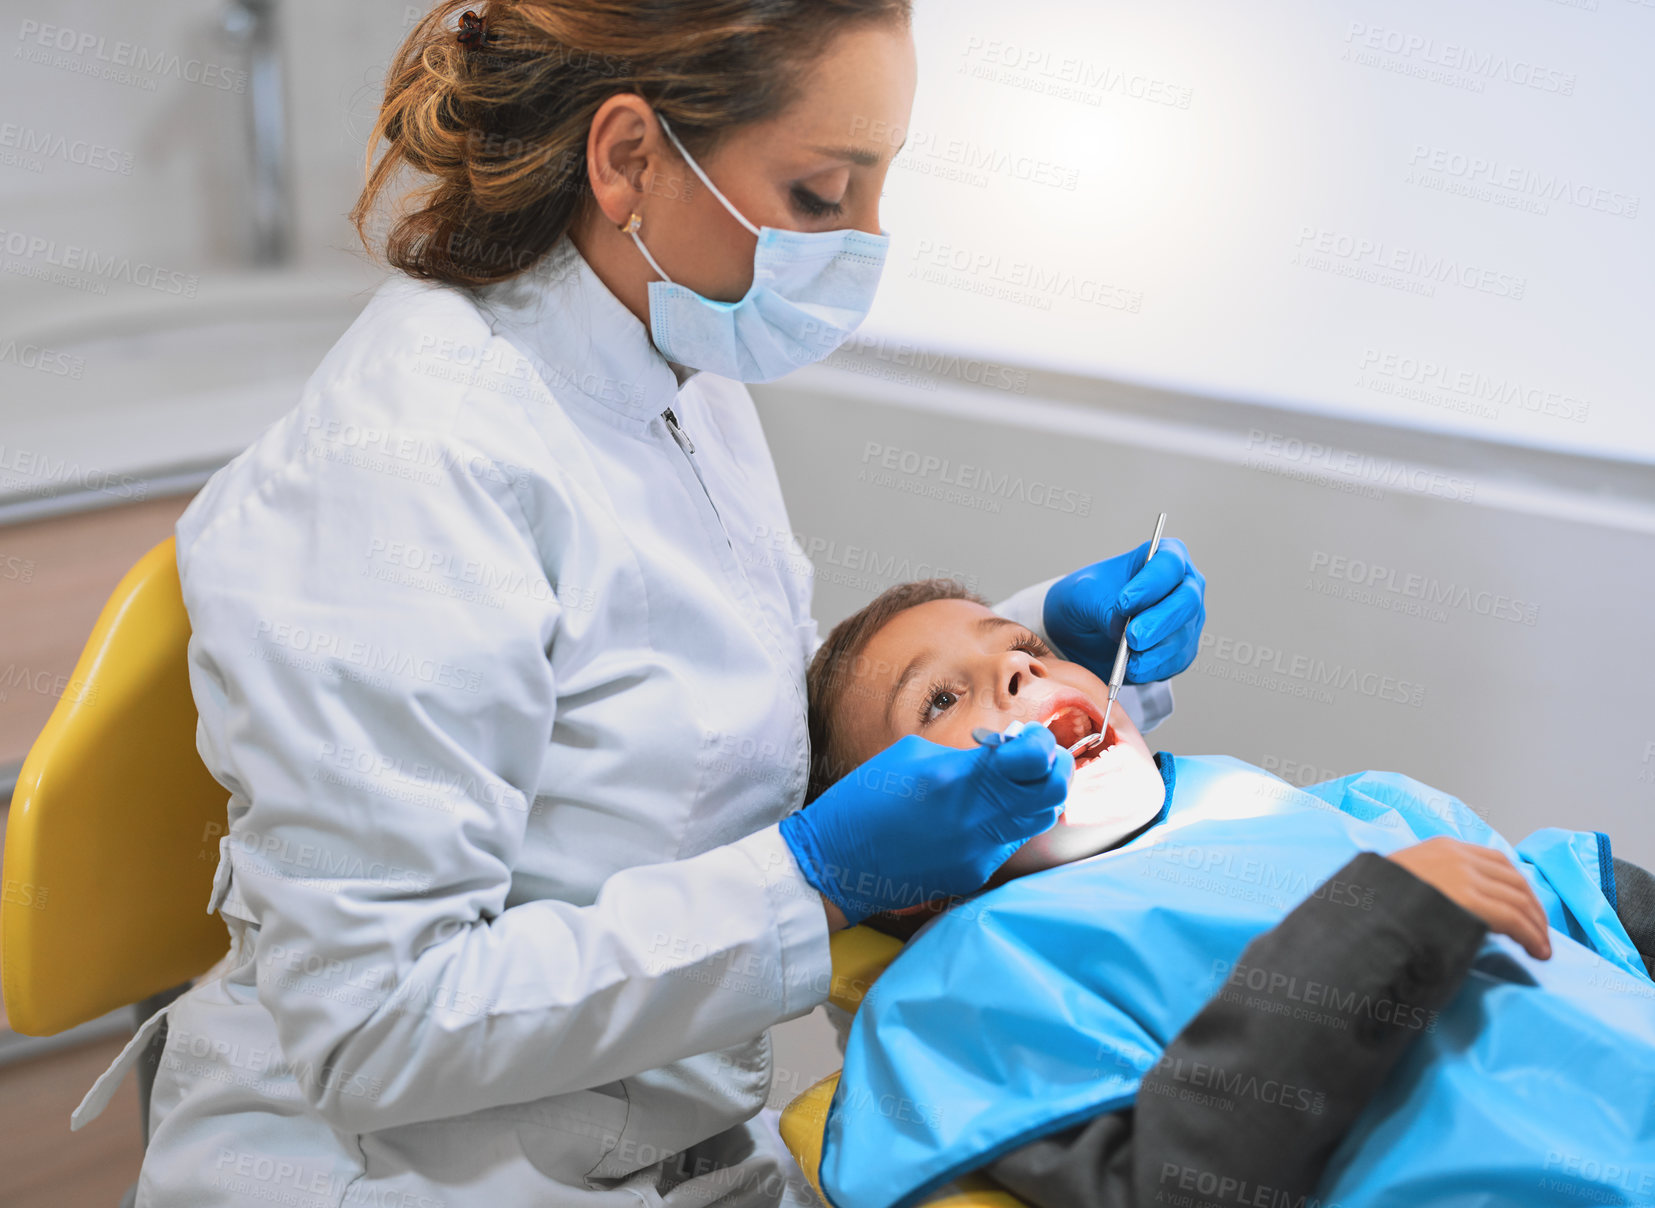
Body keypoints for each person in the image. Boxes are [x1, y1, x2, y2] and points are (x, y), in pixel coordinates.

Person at [67, 5, 1211, 1206]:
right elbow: (375, 1024)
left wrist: (1012, 655)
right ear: (627, 160)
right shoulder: (405, 467)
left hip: (666, 1147)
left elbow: (663, 703)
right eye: (823, 196)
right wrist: (812, 878)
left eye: (881, 186)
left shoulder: (667, 362)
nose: (867, 242)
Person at [797, 578, 1655, 1207]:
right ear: (895, 863)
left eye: (1026, 649)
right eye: (938, 698)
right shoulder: (970, 985)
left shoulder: (1321, 809)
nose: (1020, 675)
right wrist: (1378, 933)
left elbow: (1582, 910)